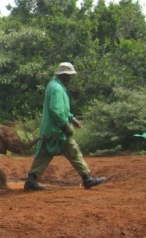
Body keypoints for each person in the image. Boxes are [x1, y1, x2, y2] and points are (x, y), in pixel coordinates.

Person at [23, 62, 107, 191]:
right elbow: (56, 110)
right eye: (70, 75)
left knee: (43, 155)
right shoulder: (57, 88)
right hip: (57, 130)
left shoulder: (55, 85)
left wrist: (72, 119)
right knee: (73, 152)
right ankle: (87, 179)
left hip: (50, 130)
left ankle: (31, 180)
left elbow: (62, 109)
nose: (71, 78)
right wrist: (65, 125)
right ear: (64, 74)